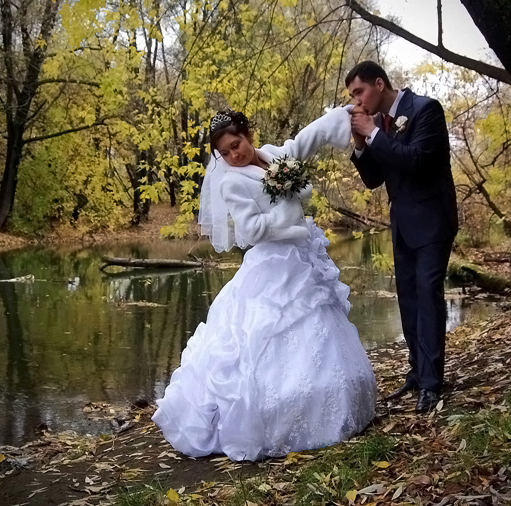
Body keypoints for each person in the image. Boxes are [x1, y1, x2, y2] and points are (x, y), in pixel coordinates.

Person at [152, 107, 377, 461]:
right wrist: (288, 214)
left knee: (319, 325)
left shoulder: (273, 155)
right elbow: (250, 231)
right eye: (224, 152)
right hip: (273, 263)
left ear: (248, 134)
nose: (233, 155)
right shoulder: (231, 182)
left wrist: (339, 117)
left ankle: (336, 399)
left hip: (302, 260)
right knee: (265, 333)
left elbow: (303, 142)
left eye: (236, 145)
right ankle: (276, 415)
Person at [346, 61, 458, 413]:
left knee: (427, 295)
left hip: (433, 221)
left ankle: (431, 383)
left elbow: (417, 161)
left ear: (379, 84)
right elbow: (373, 179)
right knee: (408, 299)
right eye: (352, 96)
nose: (356, 101)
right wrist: (362, 142)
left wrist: (375, 134)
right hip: (402, 224)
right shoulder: (379, 124)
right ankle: (417, 371)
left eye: (359, 92)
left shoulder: (426, 110)